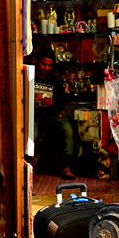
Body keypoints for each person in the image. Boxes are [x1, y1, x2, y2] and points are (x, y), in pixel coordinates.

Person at [33, 47, 74, 179]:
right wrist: (30, 98)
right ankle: (28, 166)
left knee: (67, 127)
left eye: (49, 65)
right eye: (43, 64)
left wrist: (52, 104)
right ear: (37, 61)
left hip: (50, 116)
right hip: (32, 116)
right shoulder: (29, 76)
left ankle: (66, 167)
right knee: (33, 132)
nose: (46, 68)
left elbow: (60, 105)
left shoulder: (54, 81)